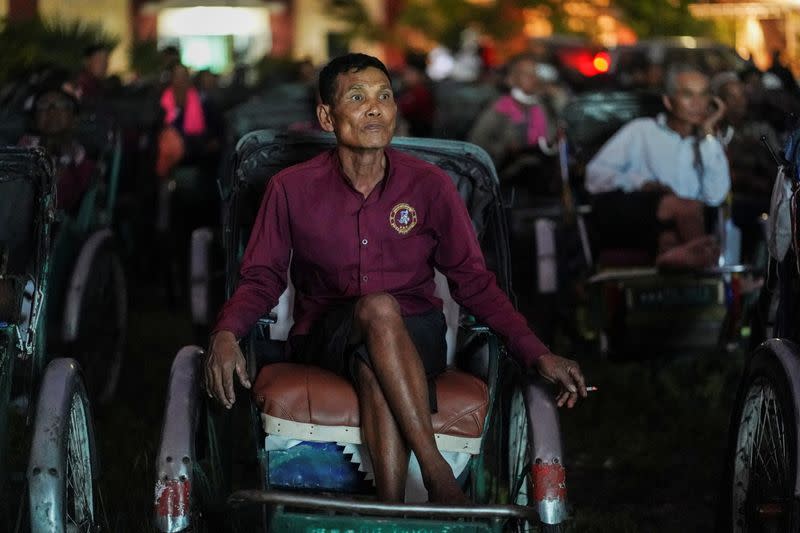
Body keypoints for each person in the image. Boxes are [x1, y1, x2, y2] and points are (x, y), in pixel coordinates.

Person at [204, 53, 587, 504]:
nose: (375, 108)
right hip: (325, 338)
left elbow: (474, 281)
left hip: (416, 337)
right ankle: (436, 473)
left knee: (376, 356)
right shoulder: (290, 188)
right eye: (358, 97)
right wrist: (227, 332)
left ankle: (389, 510)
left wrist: (536, 352)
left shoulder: (430, 186)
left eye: (384, 96)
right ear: (327, 116)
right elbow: (262, 277)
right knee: (378, 308)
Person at [585, 64, 731, 269]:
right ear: (668, 101)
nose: (697, 103)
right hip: (642, 216)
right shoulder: (641, 131)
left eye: (703, 95)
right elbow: (595, 175)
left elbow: (716, 196)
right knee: (681, 207)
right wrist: (642, 183)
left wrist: (707, 136)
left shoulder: (709, 145)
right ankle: (706, 267)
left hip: (689, 223)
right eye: (688, 95)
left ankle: (692, 266)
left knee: (677, 227)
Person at [468, 54, 558, 197]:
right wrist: (504, 148)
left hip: (540, 178)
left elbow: (552, 136)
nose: (533, 78)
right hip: (507, 178)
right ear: (512, 80)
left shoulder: (543, 106)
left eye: (535, 74)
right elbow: (477, 143)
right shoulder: (499, 109)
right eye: (526, 74)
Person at [18, 82, 96, 214]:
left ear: (74, 118)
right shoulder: (19, 153)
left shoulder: (83, 163)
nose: (52, 110)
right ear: (34, 119)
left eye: (61, 104)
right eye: (43, 105)